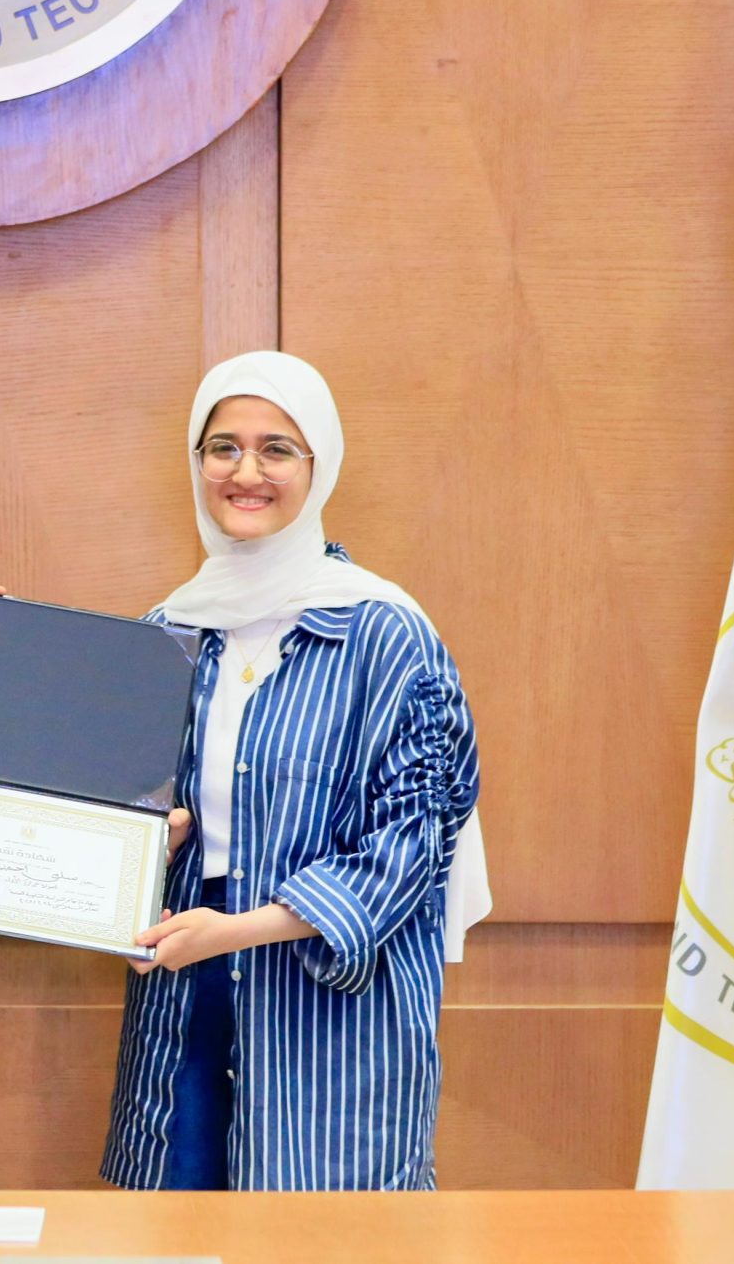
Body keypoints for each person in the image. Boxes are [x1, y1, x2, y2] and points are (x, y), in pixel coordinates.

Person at [101, 351, 481, 1191]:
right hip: (183, 988)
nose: (246, 473)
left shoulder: (384, 632)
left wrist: (237, 931)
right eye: (223, 448)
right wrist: (143, 853)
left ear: (320, 465)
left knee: (317, 1233)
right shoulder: (169, 631)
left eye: (277, 449)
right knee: (177, 1225)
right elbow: (137, 804)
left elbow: (411, 845)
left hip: (325, 1002)